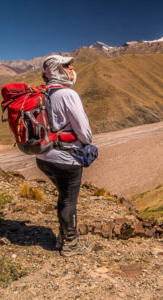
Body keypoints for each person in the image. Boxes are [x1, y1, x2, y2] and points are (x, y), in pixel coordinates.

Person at [36, 55, 93, 257]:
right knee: (69, 200)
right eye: (67, 66)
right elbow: (84, 130)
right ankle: (71, 243)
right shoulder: (68, 95)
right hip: (65, 158)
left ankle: (62, 237)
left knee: (64, 196)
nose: (72, 69)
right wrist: (87, 144)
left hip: (43, 157)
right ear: (57, 70)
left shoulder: (43, 93)